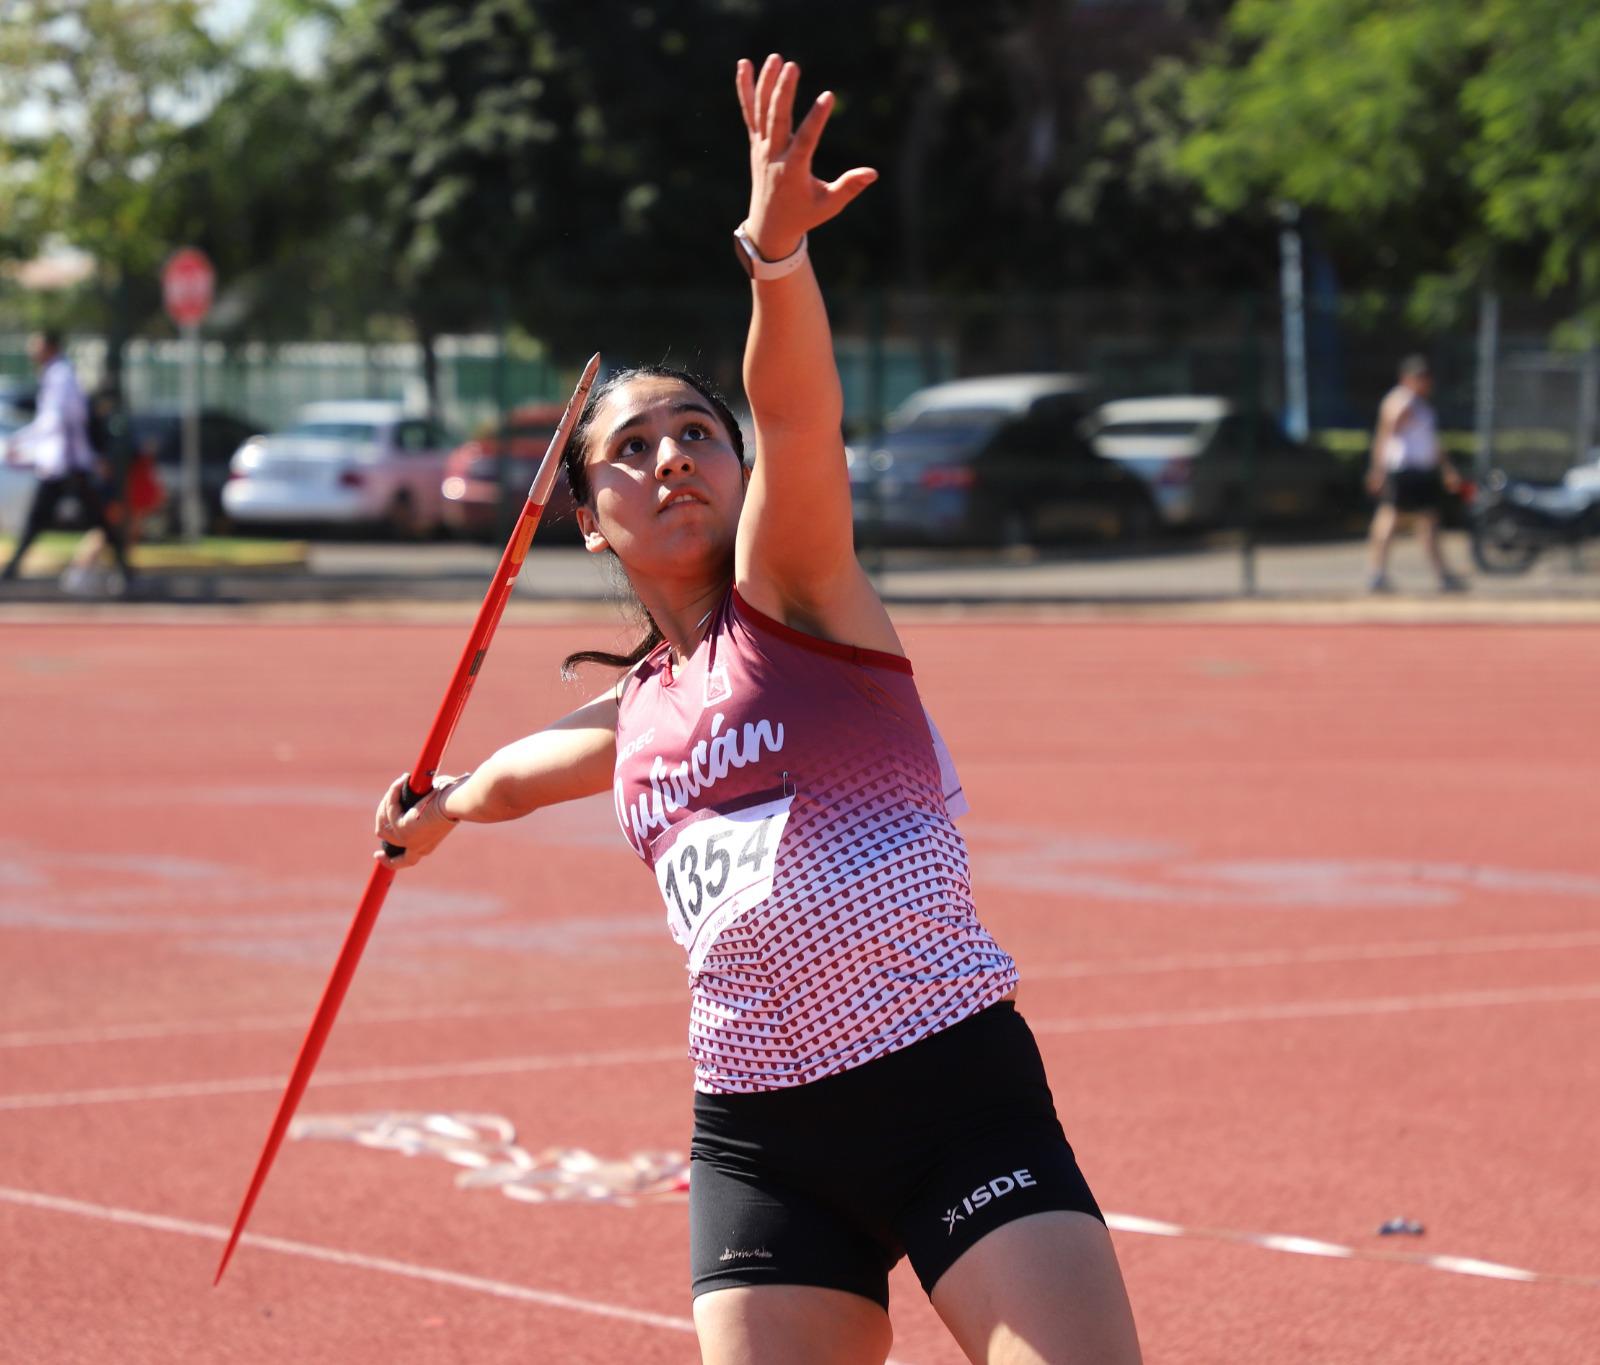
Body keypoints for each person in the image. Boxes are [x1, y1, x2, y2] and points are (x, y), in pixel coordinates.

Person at [375, 55, 1142, 1365]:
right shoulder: (640, 713)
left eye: (695, 432)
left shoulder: (797, 598)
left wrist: (775, 262)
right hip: (762, 1134)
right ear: (588, 519)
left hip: (947, 1083)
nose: (671, 454)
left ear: (734, 469)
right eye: (631, 447)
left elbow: (798, 410)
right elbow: (518, 773)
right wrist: (431, 815)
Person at [0, 330, 136, 590]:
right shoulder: (56, 375)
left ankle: (123, 567)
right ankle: (13, 567)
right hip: (62, 463)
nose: (32, 351)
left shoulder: (61, 376)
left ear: (49, 347)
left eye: (36, 345)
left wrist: (20, 441)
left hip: (68, 463)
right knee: (42, 518)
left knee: (92, 518)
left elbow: (58, 421)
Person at [1364, 354, 1466, 593]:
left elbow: (1431, 443)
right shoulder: (1400, 401)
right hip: (1403, 469)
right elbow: (1385, 436)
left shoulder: (1422, 406)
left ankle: (1442, 574)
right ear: (1406, 378)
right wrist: (1377, 469)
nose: (1424, 381)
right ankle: (1376, 572)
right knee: (1389, 517)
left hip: (1421, 471)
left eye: (1425, 377)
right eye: (1418, 376)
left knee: (1428, 521)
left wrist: (1447, 469)